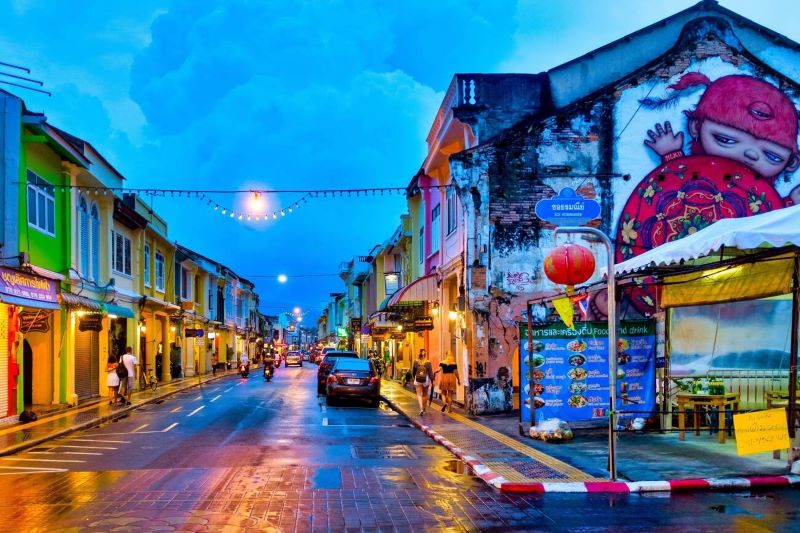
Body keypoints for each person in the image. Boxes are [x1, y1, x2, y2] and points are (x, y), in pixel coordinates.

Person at [412, 349, 433, 416]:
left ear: (419, 354)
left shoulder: (416, 361)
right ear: (425, 354)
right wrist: (432, 380)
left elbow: (414, 372)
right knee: (425, 394)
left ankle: (421, 408)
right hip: (426, 379)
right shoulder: (428, 362)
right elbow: (430, 373)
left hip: (418, 378)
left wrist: (414, 378)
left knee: (419, 394)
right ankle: (424, 409)